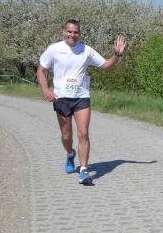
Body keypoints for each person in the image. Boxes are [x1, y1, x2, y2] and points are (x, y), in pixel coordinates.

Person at [37, 19, 127, 185]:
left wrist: (117, 55)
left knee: (83, 133)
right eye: (69, 32)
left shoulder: (86, 50)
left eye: (76, 32)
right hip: (61, 97)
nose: (72, 35)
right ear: (64, 32)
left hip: (81, 97)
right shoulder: (54, 49)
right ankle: (70, 153)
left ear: (79, 33)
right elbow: (41, 70)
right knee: (66, 135)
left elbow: (105, 66)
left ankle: (84, 170)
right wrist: (45, 90)